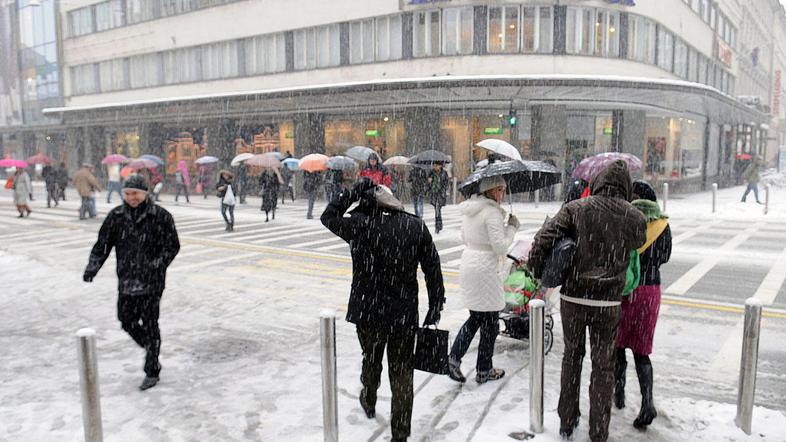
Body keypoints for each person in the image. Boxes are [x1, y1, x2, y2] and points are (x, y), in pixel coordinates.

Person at [528, 160, 646, 442]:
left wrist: (535, 268)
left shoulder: (576, 209)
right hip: (608, 304)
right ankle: (598, 430)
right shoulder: (634, 216)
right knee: (603, 367)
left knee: (572, 357)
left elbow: (544, 237)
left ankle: (567, 420)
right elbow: (638, 242)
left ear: (598, 182)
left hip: (574, 297)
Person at [321, 178, 445, 442]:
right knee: (402, 373)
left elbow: (328, 215)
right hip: (403, 312)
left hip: (368, 310)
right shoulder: (414, 226)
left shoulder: (360, 225)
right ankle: (400, 433)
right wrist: (436, 303)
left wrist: (354, 188)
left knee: (371, 357)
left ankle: (369, 395)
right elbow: (433, 268)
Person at [83, 175, 180, 391]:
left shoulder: (160, 216)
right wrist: (92, 267)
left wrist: (157, 264)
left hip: (152, 282)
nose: (131, 198)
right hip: (127, 279)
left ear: (145, 193)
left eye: (135, 193)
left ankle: (152, 370)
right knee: (125, 319)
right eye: (127, 194)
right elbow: (103, 245)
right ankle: (150, 344)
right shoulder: (117, 216)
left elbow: (172, 245)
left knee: (150, 322)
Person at [447, 176, 519, 384]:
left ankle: (456, 358)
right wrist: (512, 227)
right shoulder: (492, 212)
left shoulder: (471, 210)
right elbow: (501, 247)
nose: (503, 194)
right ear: (491, 191)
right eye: (500, 190)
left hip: (470, 263)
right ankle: (483, 368)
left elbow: (464, 237)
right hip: (486, 269)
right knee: (489, 323)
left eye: (504, 190)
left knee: (477, 318)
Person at [614, 180, 672, 430]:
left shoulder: (627, 220)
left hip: (626, 290)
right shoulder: (663, 224)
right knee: (641, 350)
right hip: (650, 292)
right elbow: (665, 256)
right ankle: (647, 402)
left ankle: (619, 393)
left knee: (618, 344)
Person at [426, 162, 449, 233]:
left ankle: (438, 226)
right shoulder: (431, 173)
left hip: (440, 194)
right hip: (434, 193)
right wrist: (429, 181)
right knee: (437, 209)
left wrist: (444, 191)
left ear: (440, 166)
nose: (435, 167)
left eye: (436, 165)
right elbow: (428, 184)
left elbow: (446, 183)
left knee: (437, 209)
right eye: (434, 165)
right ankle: (439, 225)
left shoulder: (444, 173)